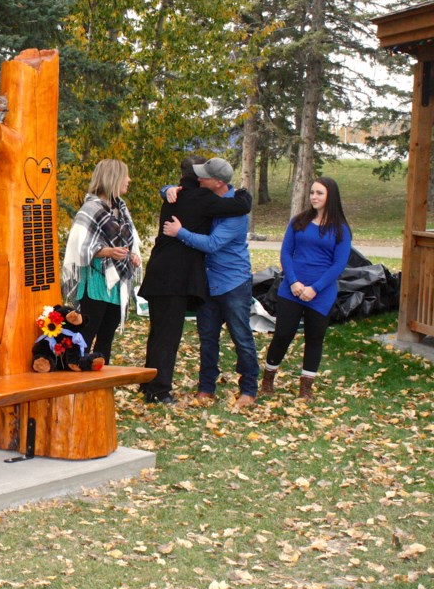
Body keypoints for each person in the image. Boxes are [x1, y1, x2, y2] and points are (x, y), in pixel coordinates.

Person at [138, 156, 252, 405]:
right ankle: (159, 390)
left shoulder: (175, 195)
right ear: (199, 178)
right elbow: (240, 207)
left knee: (158, 332)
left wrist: (166, 189)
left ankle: (148, 382)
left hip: (160, 271)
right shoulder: (201, 198)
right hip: (175, 276)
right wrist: (244, 195)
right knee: (168, 336)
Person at [260, 177, 352, 401]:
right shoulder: (298, 221)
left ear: (330, 196)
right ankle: (268, 379)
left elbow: (338, 265)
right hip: (292, 290)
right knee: (282, 334)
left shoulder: (341, 229)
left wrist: (315, 288)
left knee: (314, 338)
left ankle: (306, 388)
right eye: (312, 193)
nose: (314, 197)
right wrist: (293, 282)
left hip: (321, 294)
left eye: (319, 193)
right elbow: (286, 253)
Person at [61, 158, 141, 364]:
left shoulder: (122, 209)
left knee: (107, 337)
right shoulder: (90, 209)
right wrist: (106, 252)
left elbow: (128, 241)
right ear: (112, 178)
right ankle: (75, 382)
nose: (129, 180)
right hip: (96, 282)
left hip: (116, 284)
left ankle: (99, 383)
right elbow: (77, 247)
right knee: (85, 336)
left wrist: (131, 254)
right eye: (125, 175)